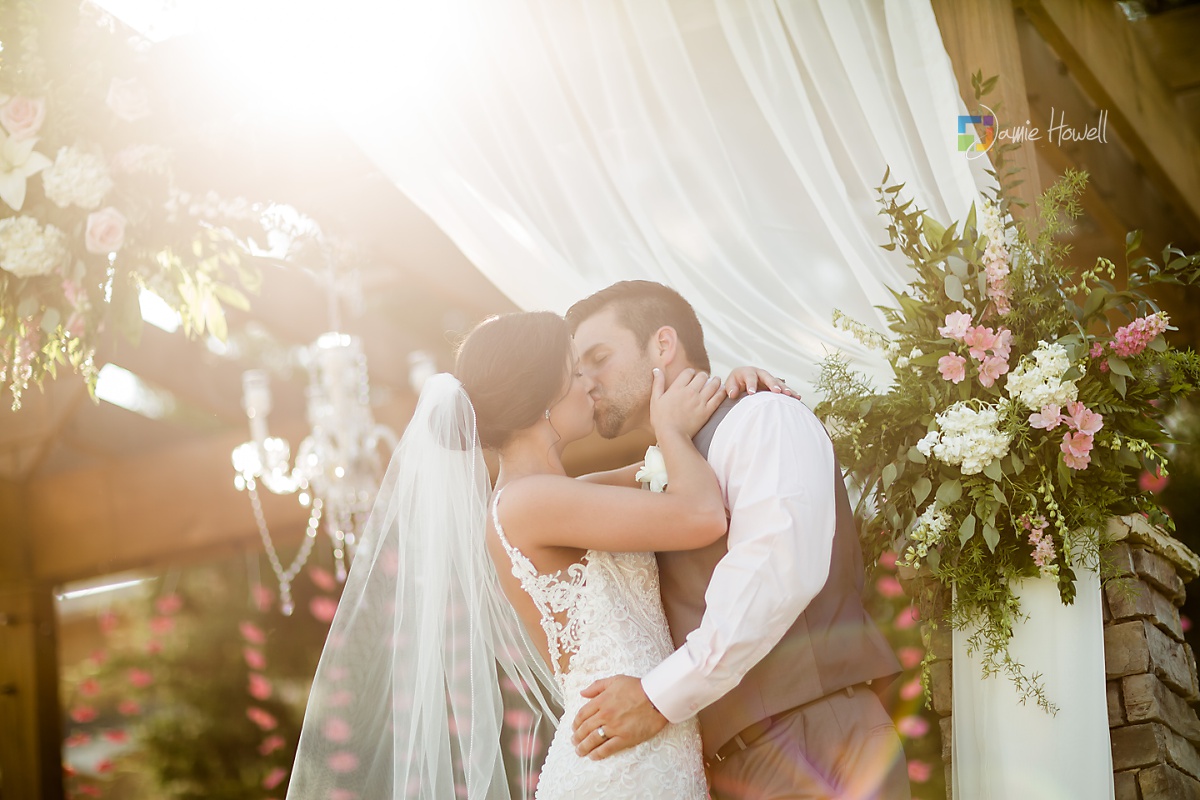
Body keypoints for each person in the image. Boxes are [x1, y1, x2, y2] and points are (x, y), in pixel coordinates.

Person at [285, 310, 792, 800]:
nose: (591, 383)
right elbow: (702, 514)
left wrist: (734, 397)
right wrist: (674, 431)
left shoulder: (566, 494)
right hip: (620, 767)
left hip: (647, 745)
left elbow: (684, 465)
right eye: (576, 371)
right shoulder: (527, 503)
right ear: (542, 396)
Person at [565, 281, 910, 800]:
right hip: (726, 768)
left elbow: (776, 574)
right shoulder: (662, 467)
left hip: (813, 742)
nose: (588, 382)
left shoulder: (763, 416)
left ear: (663, 344)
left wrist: (656, 698)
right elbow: (544, 499)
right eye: (577, 370)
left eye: (599, 358)